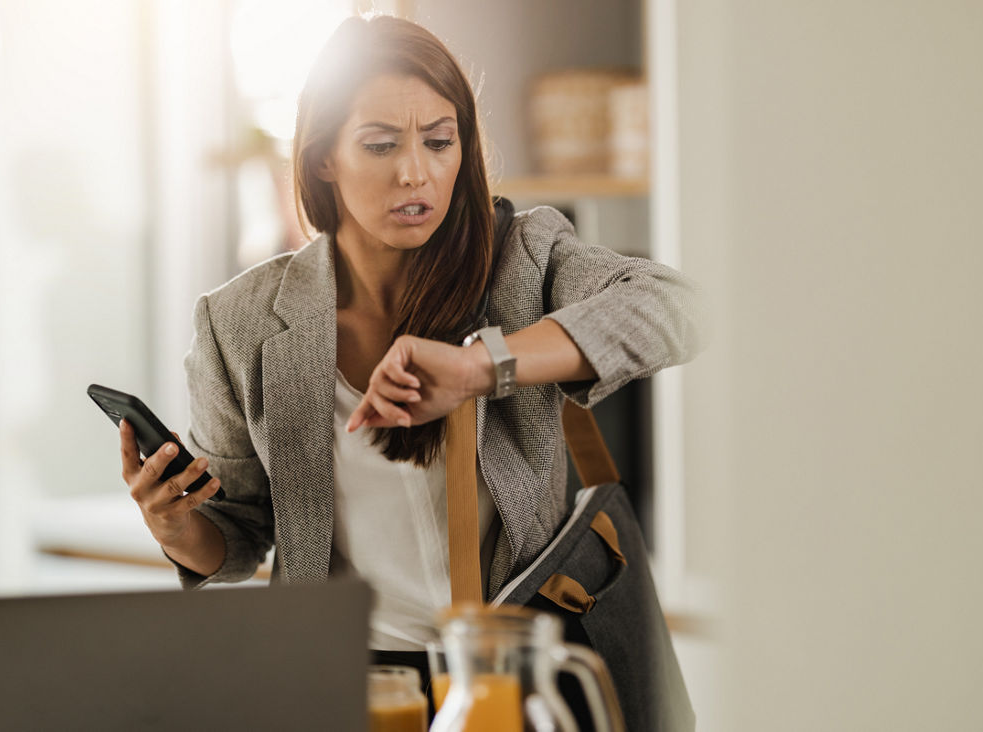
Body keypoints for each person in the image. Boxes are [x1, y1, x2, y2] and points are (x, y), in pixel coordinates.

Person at [119, 14, 701, 662]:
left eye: (439, 140)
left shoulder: (521, 258)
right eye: (381, 144)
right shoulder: (239, 324)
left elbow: (676, 306)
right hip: (352, 681)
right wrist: (173, 526)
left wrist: (485, 366)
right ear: (323, 158)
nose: (416, 174)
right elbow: (238, 537)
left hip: (516, 672)